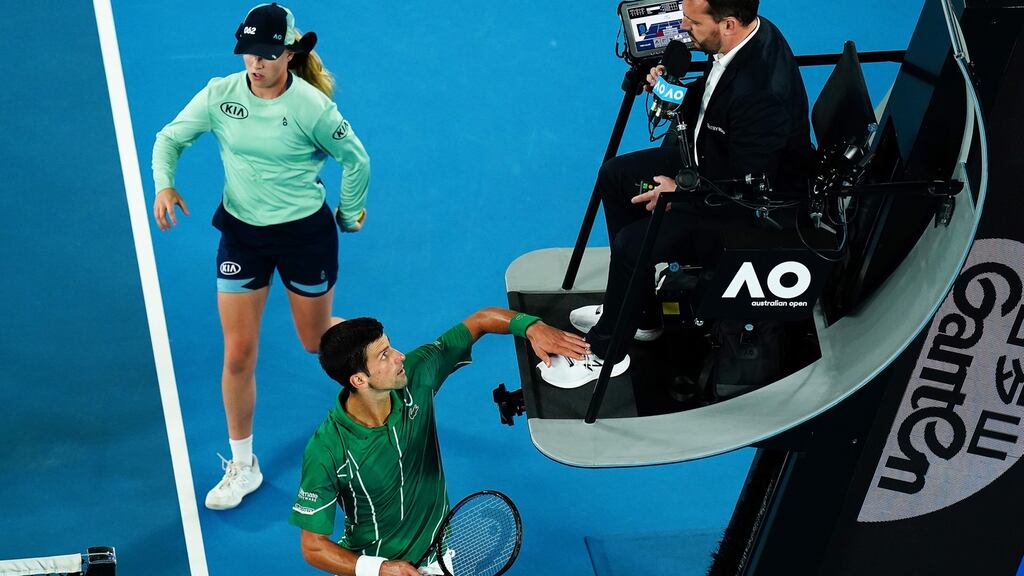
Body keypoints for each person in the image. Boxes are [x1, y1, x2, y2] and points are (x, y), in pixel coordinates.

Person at [150, 3, 371, 510]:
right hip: (242, 235)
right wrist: (165, 185)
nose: (257, 63)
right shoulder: (219, 94)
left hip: (303, 237)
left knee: (316, 342)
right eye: (250, 52)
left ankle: (380, 348)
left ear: (290, 54)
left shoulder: (312, 107)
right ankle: (243, 464)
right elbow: (169, 138)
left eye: (269, 54)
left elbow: (355, 158)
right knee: (238, 353)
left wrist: (350, 211)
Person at [540, 0, 813, 388]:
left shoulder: (762, 93)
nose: (681, 27)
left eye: (691, 20)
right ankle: (642, 315)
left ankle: (604, 353)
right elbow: (713, 110)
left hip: (749, 211)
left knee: (633, 245)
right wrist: (673, 95)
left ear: (729, 23)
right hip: (711, 163)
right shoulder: (745, 36)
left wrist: (681, 191)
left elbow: (748, 183)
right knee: (616, 176)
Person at [290, 308, 588, 576]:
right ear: (359, 380)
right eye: (384, 355)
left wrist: (532, 327)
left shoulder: (417, 376)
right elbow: (313, 547)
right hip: (373, 564)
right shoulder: (328, 450)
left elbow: (480, 321)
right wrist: (381, 569)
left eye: (390, 345)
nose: (400, 356)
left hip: (435, 557)